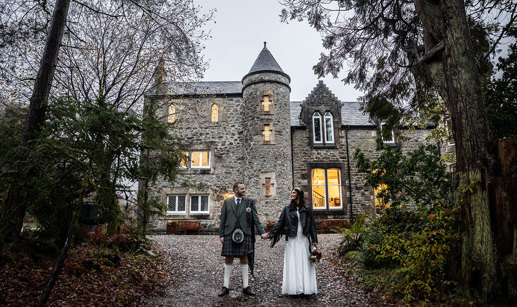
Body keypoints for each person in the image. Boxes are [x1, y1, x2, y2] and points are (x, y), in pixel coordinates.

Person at [265, 188, 318, 295]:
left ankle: (305, 288)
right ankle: (295, 288)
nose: (292, 194)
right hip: (292, 239)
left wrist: (314, 239)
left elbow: (312, 225)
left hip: (304, 239)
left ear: (299, 194)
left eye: (294, 192)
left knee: (304, 262)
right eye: (291, 192)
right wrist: (270, 234)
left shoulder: (307, 209)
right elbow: (279, 224)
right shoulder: (287, 209)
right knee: (294, 262)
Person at [219, 182, 269, 296]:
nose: (244, 190)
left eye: (244, 188)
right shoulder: (227, 202)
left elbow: (256, 218)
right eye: (241, 189)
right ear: (235, 190)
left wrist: (262, 232)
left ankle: (246, 287)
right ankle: (225, 286)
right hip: (229, 233)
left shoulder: (249, 202)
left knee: (244, 257)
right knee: (228, 258)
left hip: (245, 233)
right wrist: (221, 235)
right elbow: (223, 219)